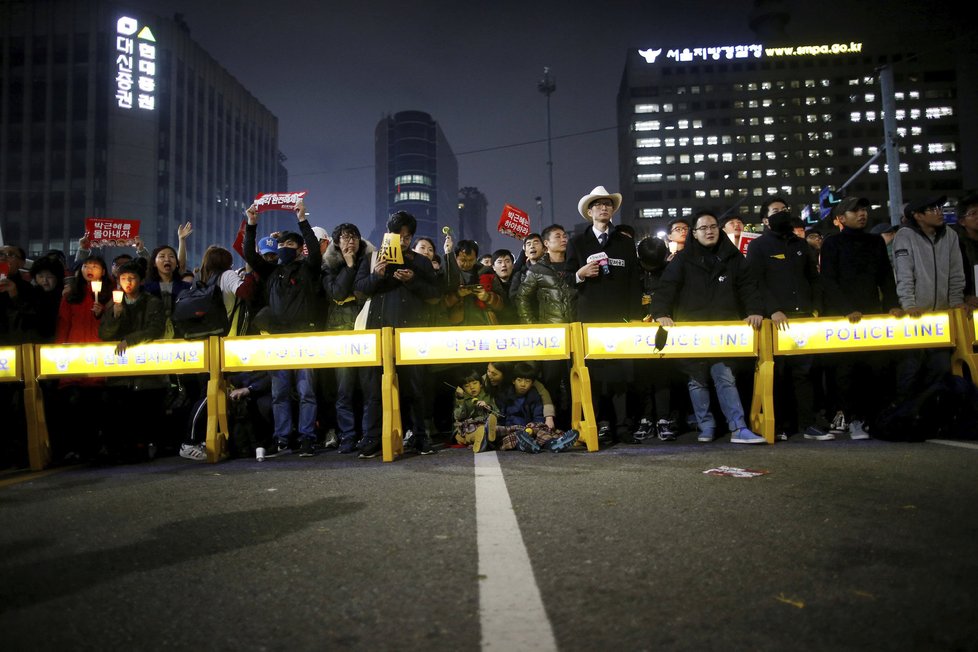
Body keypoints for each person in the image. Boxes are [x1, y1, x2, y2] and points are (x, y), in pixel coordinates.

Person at [650, 210, 766, 444]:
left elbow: (748, 286)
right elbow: (666, 288)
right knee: (697, 379)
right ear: (694, 233)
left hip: (724, 330)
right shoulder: (683, 259)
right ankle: (706, 425)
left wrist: (754, 310)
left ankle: (738, 427)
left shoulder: (733, 257)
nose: (709, 231)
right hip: (692, 330)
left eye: (713, 226)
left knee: (724, 376)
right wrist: (661, 313)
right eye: (703, 228)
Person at [355, 210, 441, 457]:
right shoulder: (372, 258)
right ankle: (371, 438)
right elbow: (359, 291)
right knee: (373, 389)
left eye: (406, 237)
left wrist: (413, 280)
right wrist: (376, 276)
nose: (402, 241)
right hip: (378, 333)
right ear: (388, 235)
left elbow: (435, 296)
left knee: (415, 387)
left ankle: (420, 437)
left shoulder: (420, 261)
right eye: (397, 236)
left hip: (410, 333)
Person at [243, 198, 322, 458]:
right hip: (277, 340)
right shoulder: (271, 272)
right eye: (282, 245)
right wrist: (251, 224)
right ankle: (283, 438)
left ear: (300, 249)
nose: (285, 248)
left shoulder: (308, 269)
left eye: (290, 244)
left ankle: (308, 437)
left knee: (306, 390)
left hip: (304, 337)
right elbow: (250, 255)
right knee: (279, 393)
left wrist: (302, 220)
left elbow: (314, 248)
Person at [819, 196, 902, 439]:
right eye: (854, 211)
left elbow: (886, 278)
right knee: (846, 371)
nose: (862, 213)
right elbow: (828, 281)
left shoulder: (875, 242)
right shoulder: (832, 243)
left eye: (864, 209)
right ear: (841, 218)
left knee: (875, 368)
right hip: (843, 319)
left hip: (872, 316)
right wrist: (846, 309)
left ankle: (873, 418)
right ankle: (852, 418)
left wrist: (892, 306)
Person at [567, 186, 641, 442]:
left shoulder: (625, 242)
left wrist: (634, 317)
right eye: (598, 204)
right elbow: (565, 278)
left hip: (619, 319)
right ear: (589, 211)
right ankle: (599, 425)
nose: (603, 208)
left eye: (608, 204)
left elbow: (635, 281)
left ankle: (622, 426)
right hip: (589, 318)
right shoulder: (577, 242)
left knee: (621, 374)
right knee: (594, 374)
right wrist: (580, 274)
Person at [746, 204, 824, 440]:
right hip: (775, 320)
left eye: (785, 209)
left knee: (804, 372)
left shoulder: (801, 245)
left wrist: (816, 308)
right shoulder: (758, 246)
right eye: (775, 211)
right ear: (765, 220)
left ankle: (807, 424)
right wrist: (774, 309)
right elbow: (756, 281)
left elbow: (813, 278)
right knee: (777, 374)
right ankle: (779, 424)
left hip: (803, 319)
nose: (782, 213)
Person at [892, 196, 966, 402]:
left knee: (941, 367)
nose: (939, 212)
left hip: (941, 317)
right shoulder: (905, 235)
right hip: (914, 318)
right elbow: (904, 273)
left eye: (939, 207)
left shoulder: (949, 235)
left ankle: (929, 413)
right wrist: (909, 305)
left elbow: (956, 272)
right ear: (917, 215)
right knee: (911, 368)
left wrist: (956, 302)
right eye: (932, 209)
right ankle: (904, 412)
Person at [322, 222, 382, 455]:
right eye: (345, 238)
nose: (350, 241)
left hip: (366, 331)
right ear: (337, 242)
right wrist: (348, 266)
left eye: (354, 237)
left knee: (369, 389)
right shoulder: (329, 265)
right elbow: (336, 292)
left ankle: (369, 435)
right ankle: (347, 435)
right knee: (344, 389)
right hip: (341, 333)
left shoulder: (372, 260)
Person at [98, 259, 167, 460]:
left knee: (146, 413)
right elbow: (105, 333)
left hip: (147, 371)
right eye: (124, 278)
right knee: (120, 413)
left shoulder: (152, 302)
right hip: (121, 372)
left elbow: (155, 329)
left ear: (140, 280)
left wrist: (129, 340)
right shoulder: (114, 303)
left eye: (132, 278)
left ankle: (145, 447)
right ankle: (121, 449)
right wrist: (115, 316)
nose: (128, 282)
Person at [632, 236, 679, 441]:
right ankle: (645, 418)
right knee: (641, 376)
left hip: (665, 329)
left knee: (663, 375)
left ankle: (663, 418)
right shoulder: (633, 273)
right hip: (635, 329)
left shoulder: (671, 271)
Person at [491, 362, 578, 454]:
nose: (523, 384)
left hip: (530, 428)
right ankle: (525, 445)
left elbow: (538, 416)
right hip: (512, 428)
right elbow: (501, 414)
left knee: (542, 432)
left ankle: (553, 444)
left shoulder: (534, 396)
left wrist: (532, 428)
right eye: (519, 380)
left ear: (532, 383)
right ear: (513, 381)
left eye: (527, 381)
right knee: (510, 436)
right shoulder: (505, 395)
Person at [453, 369, 496, 449]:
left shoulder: (487, 395)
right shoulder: (463, 398)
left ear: (481, 384)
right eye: (467, 386)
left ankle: (486, 437)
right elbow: (458, 416)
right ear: (462, 388)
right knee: (472, 431)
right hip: (470, 426)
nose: (472, 387)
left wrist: (488, 407)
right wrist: (460, 399)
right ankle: (482, 438)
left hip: (486, 422)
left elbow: (497, 412)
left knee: (498, 427)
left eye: (475, 383)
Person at [950, 191, 978, 306]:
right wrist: (965, 296)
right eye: (973, 213)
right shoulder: (955, 245)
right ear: (962, 221)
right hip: (967, 304)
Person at [489, 249, 517, 324]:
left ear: (513, 265)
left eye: (507, 261)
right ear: (493, 267)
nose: (504, 265)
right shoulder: (488, 286)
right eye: (499, 262)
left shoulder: (522, 282)